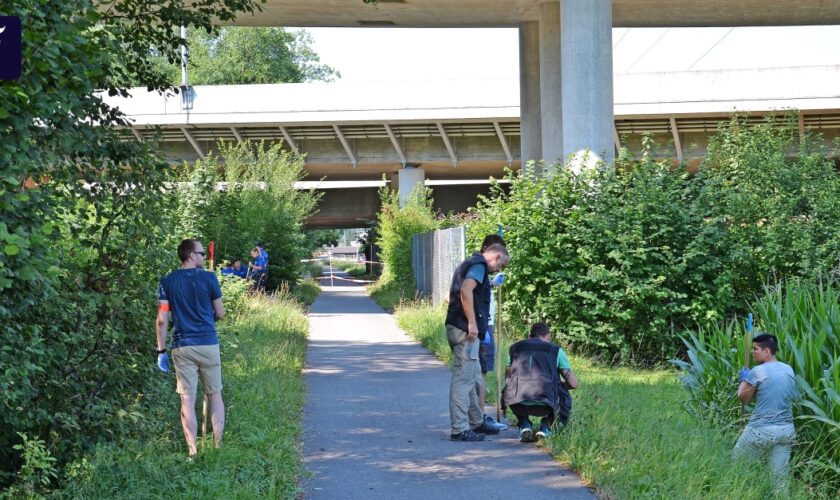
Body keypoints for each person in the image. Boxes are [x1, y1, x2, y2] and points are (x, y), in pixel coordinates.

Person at [156, 239, 226, 460]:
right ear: (191, 255)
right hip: (207, 343)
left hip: (182, 346)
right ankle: (217, 447)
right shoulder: (209, 278)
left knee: (187, 399)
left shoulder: (167, 281)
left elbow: (162, 320)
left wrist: (161, 351)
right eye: (201, 253)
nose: (204, 257)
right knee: (214, 394)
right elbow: (221, 313)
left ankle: (192, 453)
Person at [445, 242, 509, 441]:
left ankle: (476, 422)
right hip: (465, 330)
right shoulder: (479, 266)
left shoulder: (472, 263)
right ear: (496, 257)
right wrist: (472, 323)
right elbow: (466, 290)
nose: (499, 269)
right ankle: (459, 429)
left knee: (472, 379)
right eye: (501, 265)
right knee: (463, 380)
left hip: (461, 327)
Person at [733, 333, 798, 486]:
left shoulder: (758, 371)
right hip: (786, 431)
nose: (752, 352)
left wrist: (744, 378)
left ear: (767, 351)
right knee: (780, 481)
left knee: (736, 467)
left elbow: (743, 397)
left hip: (761, 430)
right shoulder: (788, 369)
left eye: (755, 349)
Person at [502, 322, 579, 443]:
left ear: (529, 335)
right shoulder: (555, 350)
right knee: (564, 395)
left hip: (517, 402)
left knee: (511, 387)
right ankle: (546, 428)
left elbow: (508, 377)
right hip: (545, 403)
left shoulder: (515, 348)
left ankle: (524, 424)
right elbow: (574, 384)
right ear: (549, 337)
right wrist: (558, 385)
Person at [476, 234, 508, 433]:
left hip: (485, 325)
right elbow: (453, 296)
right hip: (482, 326)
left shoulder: (483, 273)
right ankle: (479, 417)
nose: (499, 267)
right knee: (481, 373)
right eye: (498, 261)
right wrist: (476, 322)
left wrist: (492, 284)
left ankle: (478, 415)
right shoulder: (477, 269)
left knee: (483, 372)